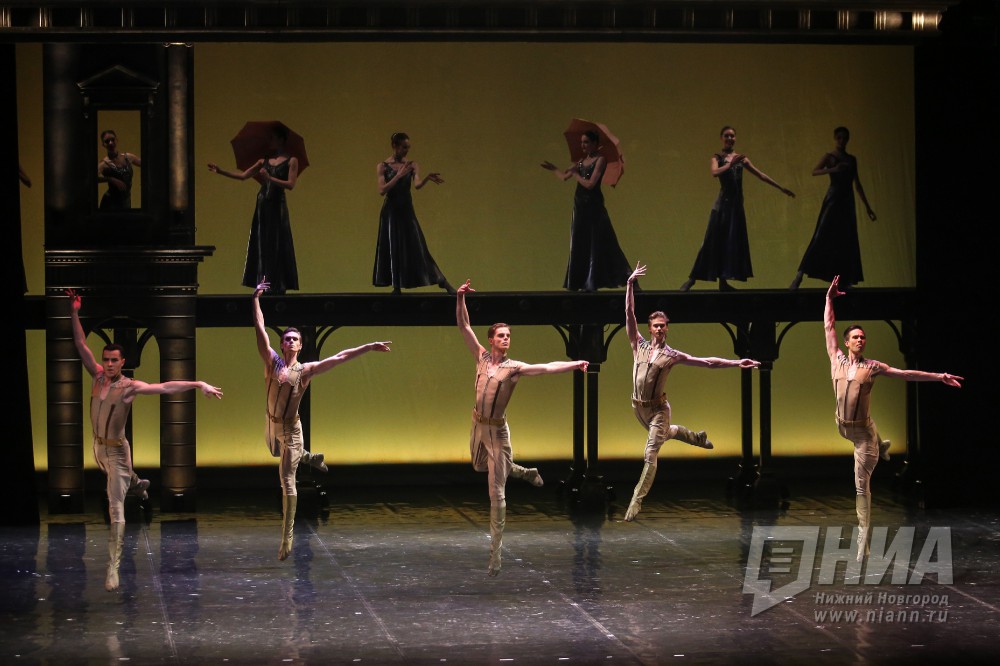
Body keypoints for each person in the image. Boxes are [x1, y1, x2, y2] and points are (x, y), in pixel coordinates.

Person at [67, 289, 223, 591]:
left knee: (115, 508)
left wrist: (198, 383)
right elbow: (80, 343)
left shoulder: (129, 387)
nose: (108, 364)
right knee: (125, 480)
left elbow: (165, 387)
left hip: (116, 452)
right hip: (97, 449)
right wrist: (74, 312)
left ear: (122, 362)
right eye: (106, 359)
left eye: (114, 360)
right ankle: (138, 484)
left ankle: (113, 567)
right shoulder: (97, 377)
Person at [824, 275, 962, 560]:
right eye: (856, 337)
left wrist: (939, 377)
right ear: (847, 342)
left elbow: (906, 374)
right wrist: (828, 299)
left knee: (861, 485)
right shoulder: (836, 358)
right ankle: (882, 444)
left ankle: (863, 540)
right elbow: (829, 326)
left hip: (862, 435)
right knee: (870, 429)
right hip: (841, 426)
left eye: (863, 337)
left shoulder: (873, 367)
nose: (860, 340)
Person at [456, 279, 589, 575]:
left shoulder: (513, 368)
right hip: (477, 426)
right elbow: (464, 326)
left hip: (497, 433)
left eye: (508, 336)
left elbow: (546, 367)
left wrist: (574, 363)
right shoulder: (481, 358)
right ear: (491, 339)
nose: (506, 339)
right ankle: (525, 472)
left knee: (497, 493)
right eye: (501, 335)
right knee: (479, 466)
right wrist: (460, 297)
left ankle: (495, 554)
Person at [253, 278, 391, 561]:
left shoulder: (305, 371)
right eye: (286, 339)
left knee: (286, 479)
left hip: (291, 429)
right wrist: (255, 299)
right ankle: (310, 457)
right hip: (271, 424)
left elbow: (339, 357)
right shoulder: (271, 362)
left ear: (300, 345)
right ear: (282, 344)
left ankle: (287, 536)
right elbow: (259, 328)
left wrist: (368, 347)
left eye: (295, 339)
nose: (290, 341)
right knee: (275, 453)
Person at [623, 262, 760, 520]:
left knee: (650, 452)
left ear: (667, 328)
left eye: (663, 325)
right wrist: (630, 285)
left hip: (658, 410)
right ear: (650, 328)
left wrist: (736, 362)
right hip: (637, 408)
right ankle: (696, 437)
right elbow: (629, 313)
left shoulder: (672, 355)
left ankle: (636, 500)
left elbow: (707, 362)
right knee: (667, 434)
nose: (660, 329)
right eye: (656, 325)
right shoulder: (638, 345)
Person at [680, 126, 795, 291]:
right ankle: (692, 280)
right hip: (721, 207)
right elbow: (714, 172)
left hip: (735, 209)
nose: (730, 138)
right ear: (721, 138)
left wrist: (781, 188)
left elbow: (760, 175)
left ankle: (723, 282)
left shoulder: (741, 159)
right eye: (727, 136)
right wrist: (730, 164)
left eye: (732, 136)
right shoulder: (717, 157)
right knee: (712, 242)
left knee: (730, 243)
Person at [208, 123, 299, 294]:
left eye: (273, 138)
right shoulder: (263, 161)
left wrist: (270, 178)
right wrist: (220, 171)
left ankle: (278, 283)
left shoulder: (292, 160)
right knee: (262, 240)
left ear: (281, 139)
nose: (270, 141)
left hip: (277, 205)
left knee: (277, 241)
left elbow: (291, 184)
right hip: (263, 203)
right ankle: (263, 282)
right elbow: (243, 176)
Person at [541, 130, 632, 291]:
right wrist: (554, 169)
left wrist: (576, 174)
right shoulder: (581, 161)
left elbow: (590, 184)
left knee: (602, 242)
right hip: (580, 207)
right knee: (580, 242)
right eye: (582, 142)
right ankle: (582, 282)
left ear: (595, 143)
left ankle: (628, 279)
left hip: (593, 207)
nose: (583, 145)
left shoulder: (600, 160)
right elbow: (564, 177)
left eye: (586, 142)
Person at [790, 127, 877, 290]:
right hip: (833, 200)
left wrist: (867, 207)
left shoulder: (851, 159)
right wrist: (833, 169)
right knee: (820, 235)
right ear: (835, 138)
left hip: (847, 203)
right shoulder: (830, 157)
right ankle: (799, 276)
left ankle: (843, 281)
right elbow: (815, 171)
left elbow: (857, 184)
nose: (842, 141)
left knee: (846, 240)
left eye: (845, 138)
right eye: (839, 138)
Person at [373, 132, 454, 294]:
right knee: (393, 246)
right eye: (404, 147)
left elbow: (416, 185)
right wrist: (398, 176)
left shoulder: (412, 165)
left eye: (408, 148)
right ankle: (396, 287)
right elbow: (382, 190)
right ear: (394, 146)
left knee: (418, 246)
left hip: (406, 210)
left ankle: (442, 281)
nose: (406, 151)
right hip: (391, 212)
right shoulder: (383, 166)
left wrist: (426, 179)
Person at [97, 129, 141, 210]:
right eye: (107, 141)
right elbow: (92, 179)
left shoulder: (128, 157)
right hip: (110, 204)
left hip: (126, 202)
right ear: (103, 144)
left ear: (116, 140)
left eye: (112, 139)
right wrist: (110, 179)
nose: (110, 143)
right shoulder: (104, 164)